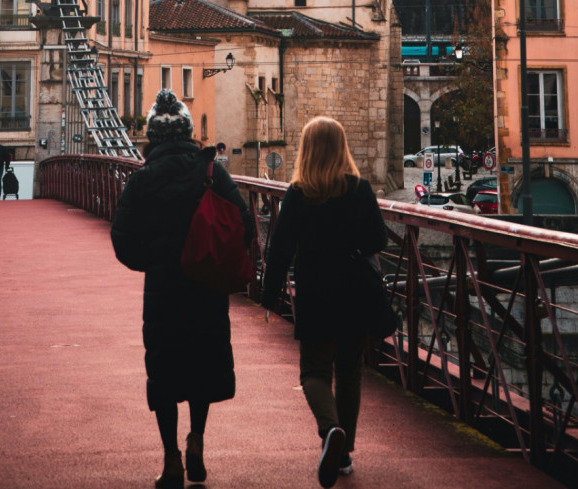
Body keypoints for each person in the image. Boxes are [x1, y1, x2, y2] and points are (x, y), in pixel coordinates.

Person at [110, 89, 254, 489]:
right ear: (189, 133)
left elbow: (121, 239)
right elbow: (245, 224)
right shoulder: (211, 172)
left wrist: (151, 262)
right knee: (202, 366)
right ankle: (197, 441)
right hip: (206, 286)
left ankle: (171, 459)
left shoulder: (142, 179)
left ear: (152, 137)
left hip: (163, 291)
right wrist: (216, 258)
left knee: (165, 371)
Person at [260, 116, 388, 488]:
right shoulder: (360, 189)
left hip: (315, 290)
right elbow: (378, 240)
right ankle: (343, 454)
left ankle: (330, 428)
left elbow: (280, 249)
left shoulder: (299, 193)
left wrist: (269, 296)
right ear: (341, 147)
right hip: (355, 290)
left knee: (314, 372)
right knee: (349, 372)